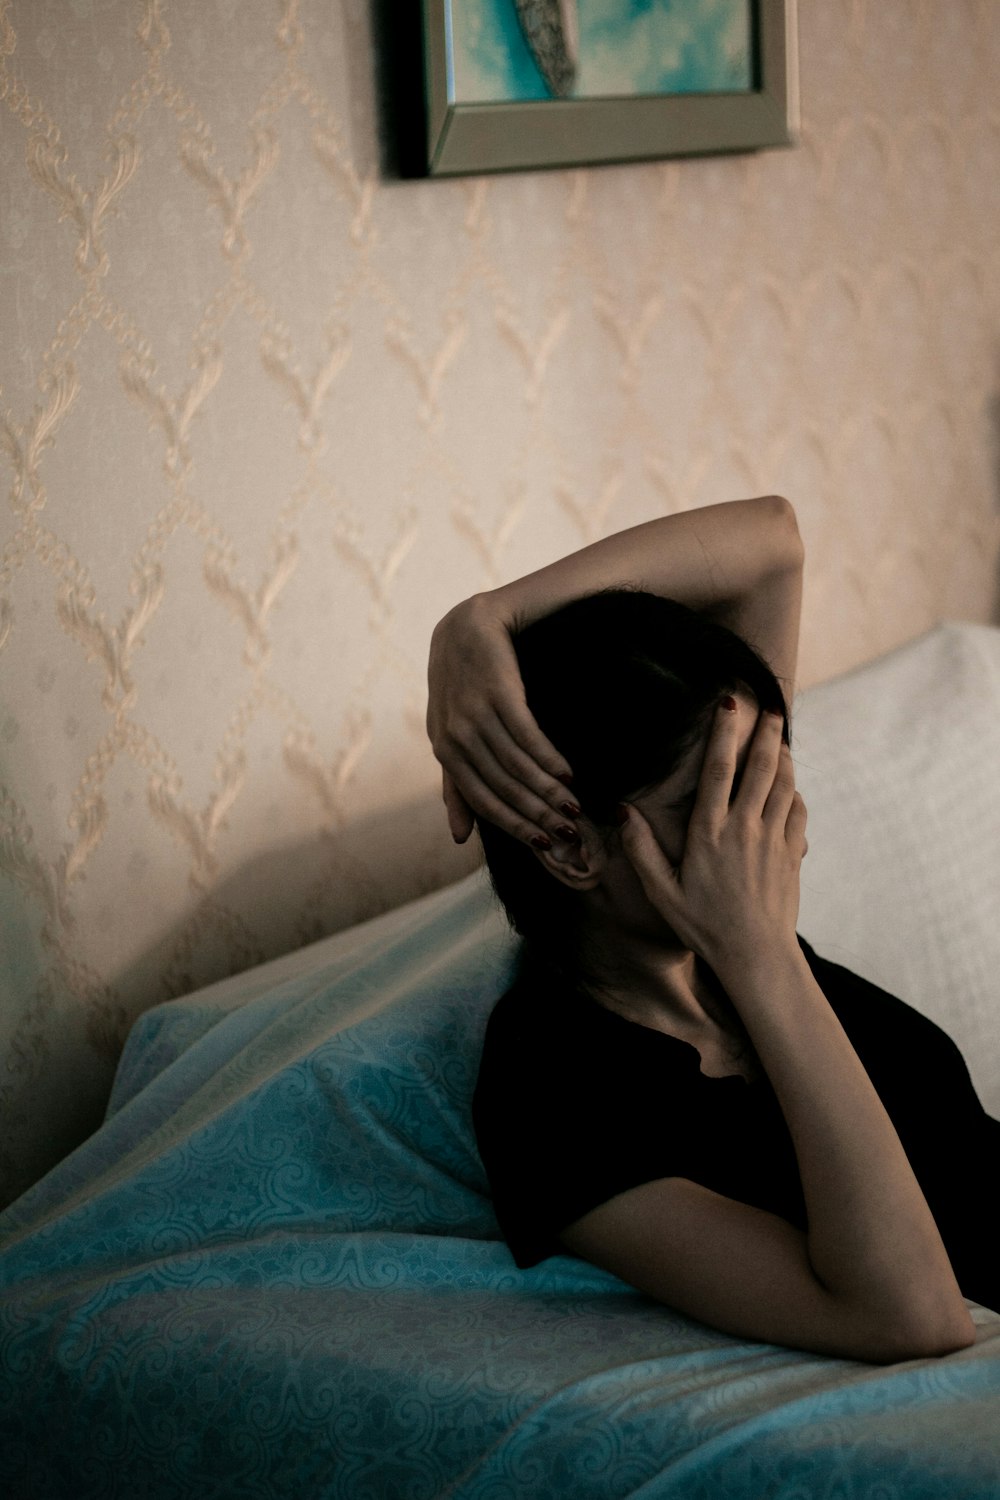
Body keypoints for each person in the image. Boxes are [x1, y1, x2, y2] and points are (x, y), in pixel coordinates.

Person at [427, 495, 999, 1364]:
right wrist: (765, 960)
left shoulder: (716, 944)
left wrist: (483, 621)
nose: (777, 824)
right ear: (569, 846)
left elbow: (771, 543)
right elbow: (911, 1313)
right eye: (716, 806)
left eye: (763, 780)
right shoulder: (553, 1090)